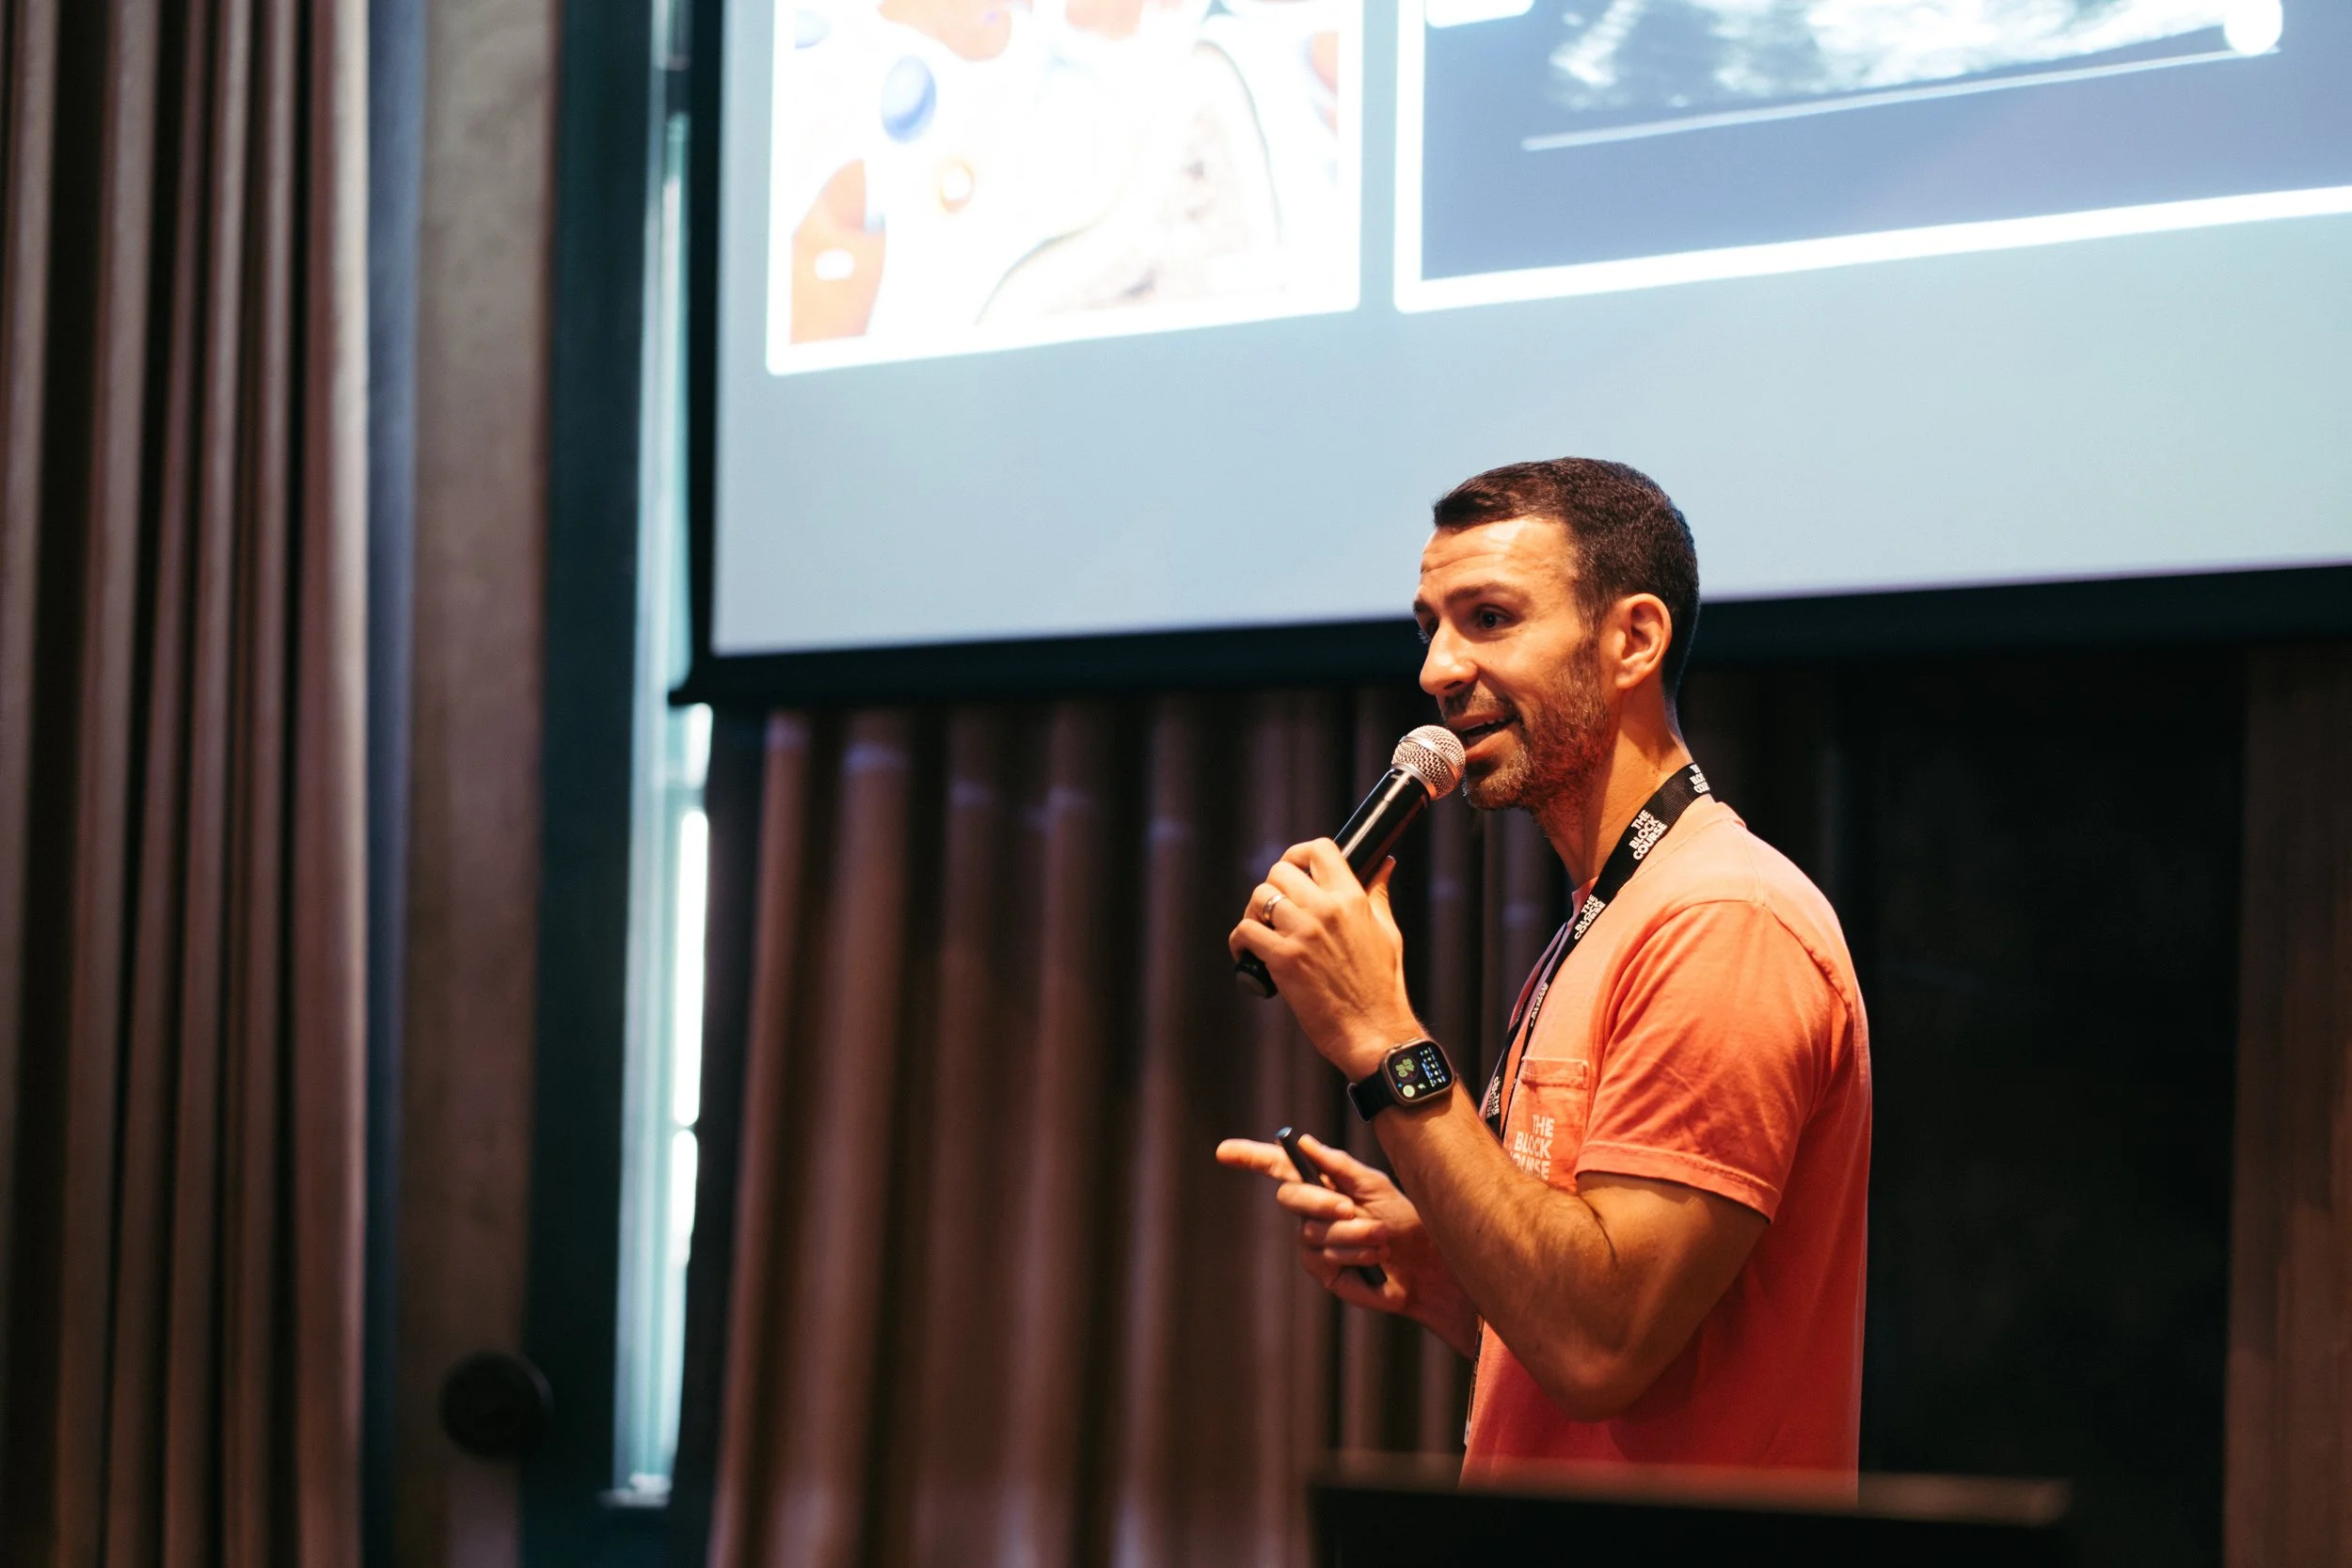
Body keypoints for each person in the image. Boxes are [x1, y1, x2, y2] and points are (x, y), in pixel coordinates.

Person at [1218, 458, 1871, 1477]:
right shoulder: (1608, 914)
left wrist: (1383, 1039)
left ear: (1634, 639)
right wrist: (1452, 1273)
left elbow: (1597, 1345)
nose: (1438, 669)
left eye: (1488, 618)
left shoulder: (1723, 919)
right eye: (1429, 627)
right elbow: (1613, 1339)